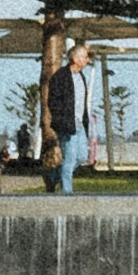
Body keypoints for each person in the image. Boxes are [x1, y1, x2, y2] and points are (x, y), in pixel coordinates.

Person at [43, 41, 95, 196]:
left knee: (81, 157)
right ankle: (67, 191)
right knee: (70, 158)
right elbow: (53, 102)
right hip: (67, 125)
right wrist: (61, 121)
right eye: (84, 57)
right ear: (75, 59)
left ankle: (53, 176)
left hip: (80, 125)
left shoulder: (81, 77)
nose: (87, 60)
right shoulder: (60, 77)